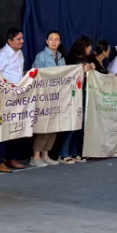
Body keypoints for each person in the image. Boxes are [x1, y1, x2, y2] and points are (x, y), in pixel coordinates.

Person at [0, 27, 27, 172]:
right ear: (9, 41)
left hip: (18, 97)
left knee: (17, 127)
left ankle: (11, 159)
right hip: (5, 97)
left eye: (22, 38)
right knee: (3, 129)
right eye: (18, 39)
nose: (22, 41)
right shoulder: (2, 55)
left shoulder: (20, 53)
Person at [29, 30, 65, 167]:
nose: (54, 42)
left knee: (53, 125)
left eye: (57, 39)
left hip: (57, 96)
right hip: (44, 96)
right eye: (51, 39)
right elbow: (35, 75)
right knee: (43, 126)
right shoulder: (41, 56)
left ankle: (45, 155)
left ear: (60, 42)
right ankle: (35, 157)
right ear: (46, 41)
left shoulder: (61, 58)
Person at [59, 36, 93, 163]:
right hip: (72, 95)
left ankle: (74, 152)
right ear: (85, 46)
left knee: (79, 125)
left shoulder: (84, 59)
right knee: (71, 124)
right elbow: (69, 76)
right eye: (89, 46)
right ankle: (63, 153)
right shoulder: (71, 59)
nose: (91, 49)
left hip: (82, 94)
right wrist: (82, 70)